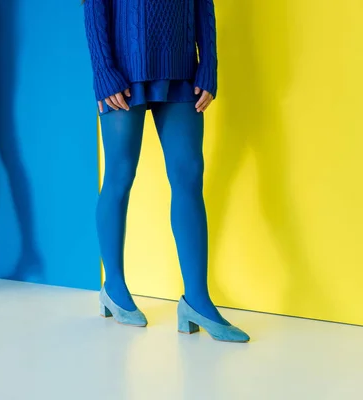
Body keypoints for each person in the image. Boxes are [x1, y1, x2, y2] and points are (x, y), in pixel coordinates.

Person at [84, 0, 249, 342]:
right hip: (122, 73)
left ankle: (197, 301)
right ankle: (113, 287)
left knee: (188, 179)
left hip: (183, 70)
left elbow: (203, 5)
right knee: (119, 177)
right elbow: (94, 6)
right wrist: (103, 70)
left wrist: (209, 65)